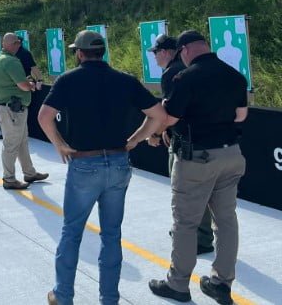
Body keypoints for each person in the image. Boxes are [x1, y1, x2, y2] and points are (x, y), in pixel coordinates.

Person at [38, 30, 166, 305]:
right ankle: (109, 299)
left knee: (72, 232)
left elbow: (44, 116)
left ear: (80, 53)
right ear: (103, 52)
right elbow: (158, 115)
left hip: (84, 162)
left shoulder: (68, 80)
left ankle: (63, 295)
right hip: (119, 162)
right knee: (111, 235)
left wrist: (59, 144)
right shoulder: (125, 80)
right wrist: (134, 140)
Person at [148, 30, 248, 305]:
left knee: (186, 223)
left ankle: (178, 284)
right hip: (231, 154)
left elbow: (169, 117)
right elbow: (241, 115)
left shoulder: (185, 77)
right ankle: (221, 283)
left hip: (196, 158)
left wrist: (152, 134)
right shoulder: (235, 76)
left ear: (185, 50)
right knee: (226, 221)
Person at [150, 34, 214, 255]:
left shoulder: (171, 74)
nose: (154, 57)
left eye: (156, 52)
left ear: (167, 51)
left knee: (185, 190)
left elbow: (172, 110)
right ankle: (197, 232)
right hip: (200, 137)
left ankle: (200, 236)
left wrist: (161, 131)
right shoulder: (181, 69)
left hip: (185, 140)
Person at [0, 33, 48, 190]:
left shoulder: (0, 58)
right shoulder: (11, 61)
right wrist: (32, 85)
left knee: (21, 142)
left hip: (8, 107)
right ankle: (9, 178)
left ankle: (29, 173)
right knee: (12, 144)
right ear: (12, 44)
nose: (19, 46)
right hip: (13, 109)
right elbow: (23, 85)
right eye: (17, 43)